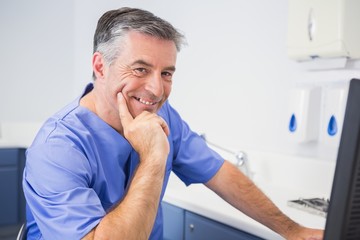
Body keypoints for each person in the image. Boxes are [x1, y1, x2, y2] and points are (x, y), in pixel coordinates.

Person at [23, 7, 324, 240]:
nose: (156, 89)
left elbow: (219, 173)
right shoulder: (57, 148)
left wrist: (293, 231)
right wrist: (153, 158)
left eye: (167, 73)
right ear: (101, 66)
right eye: (140, 69)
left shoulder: (163, 117)